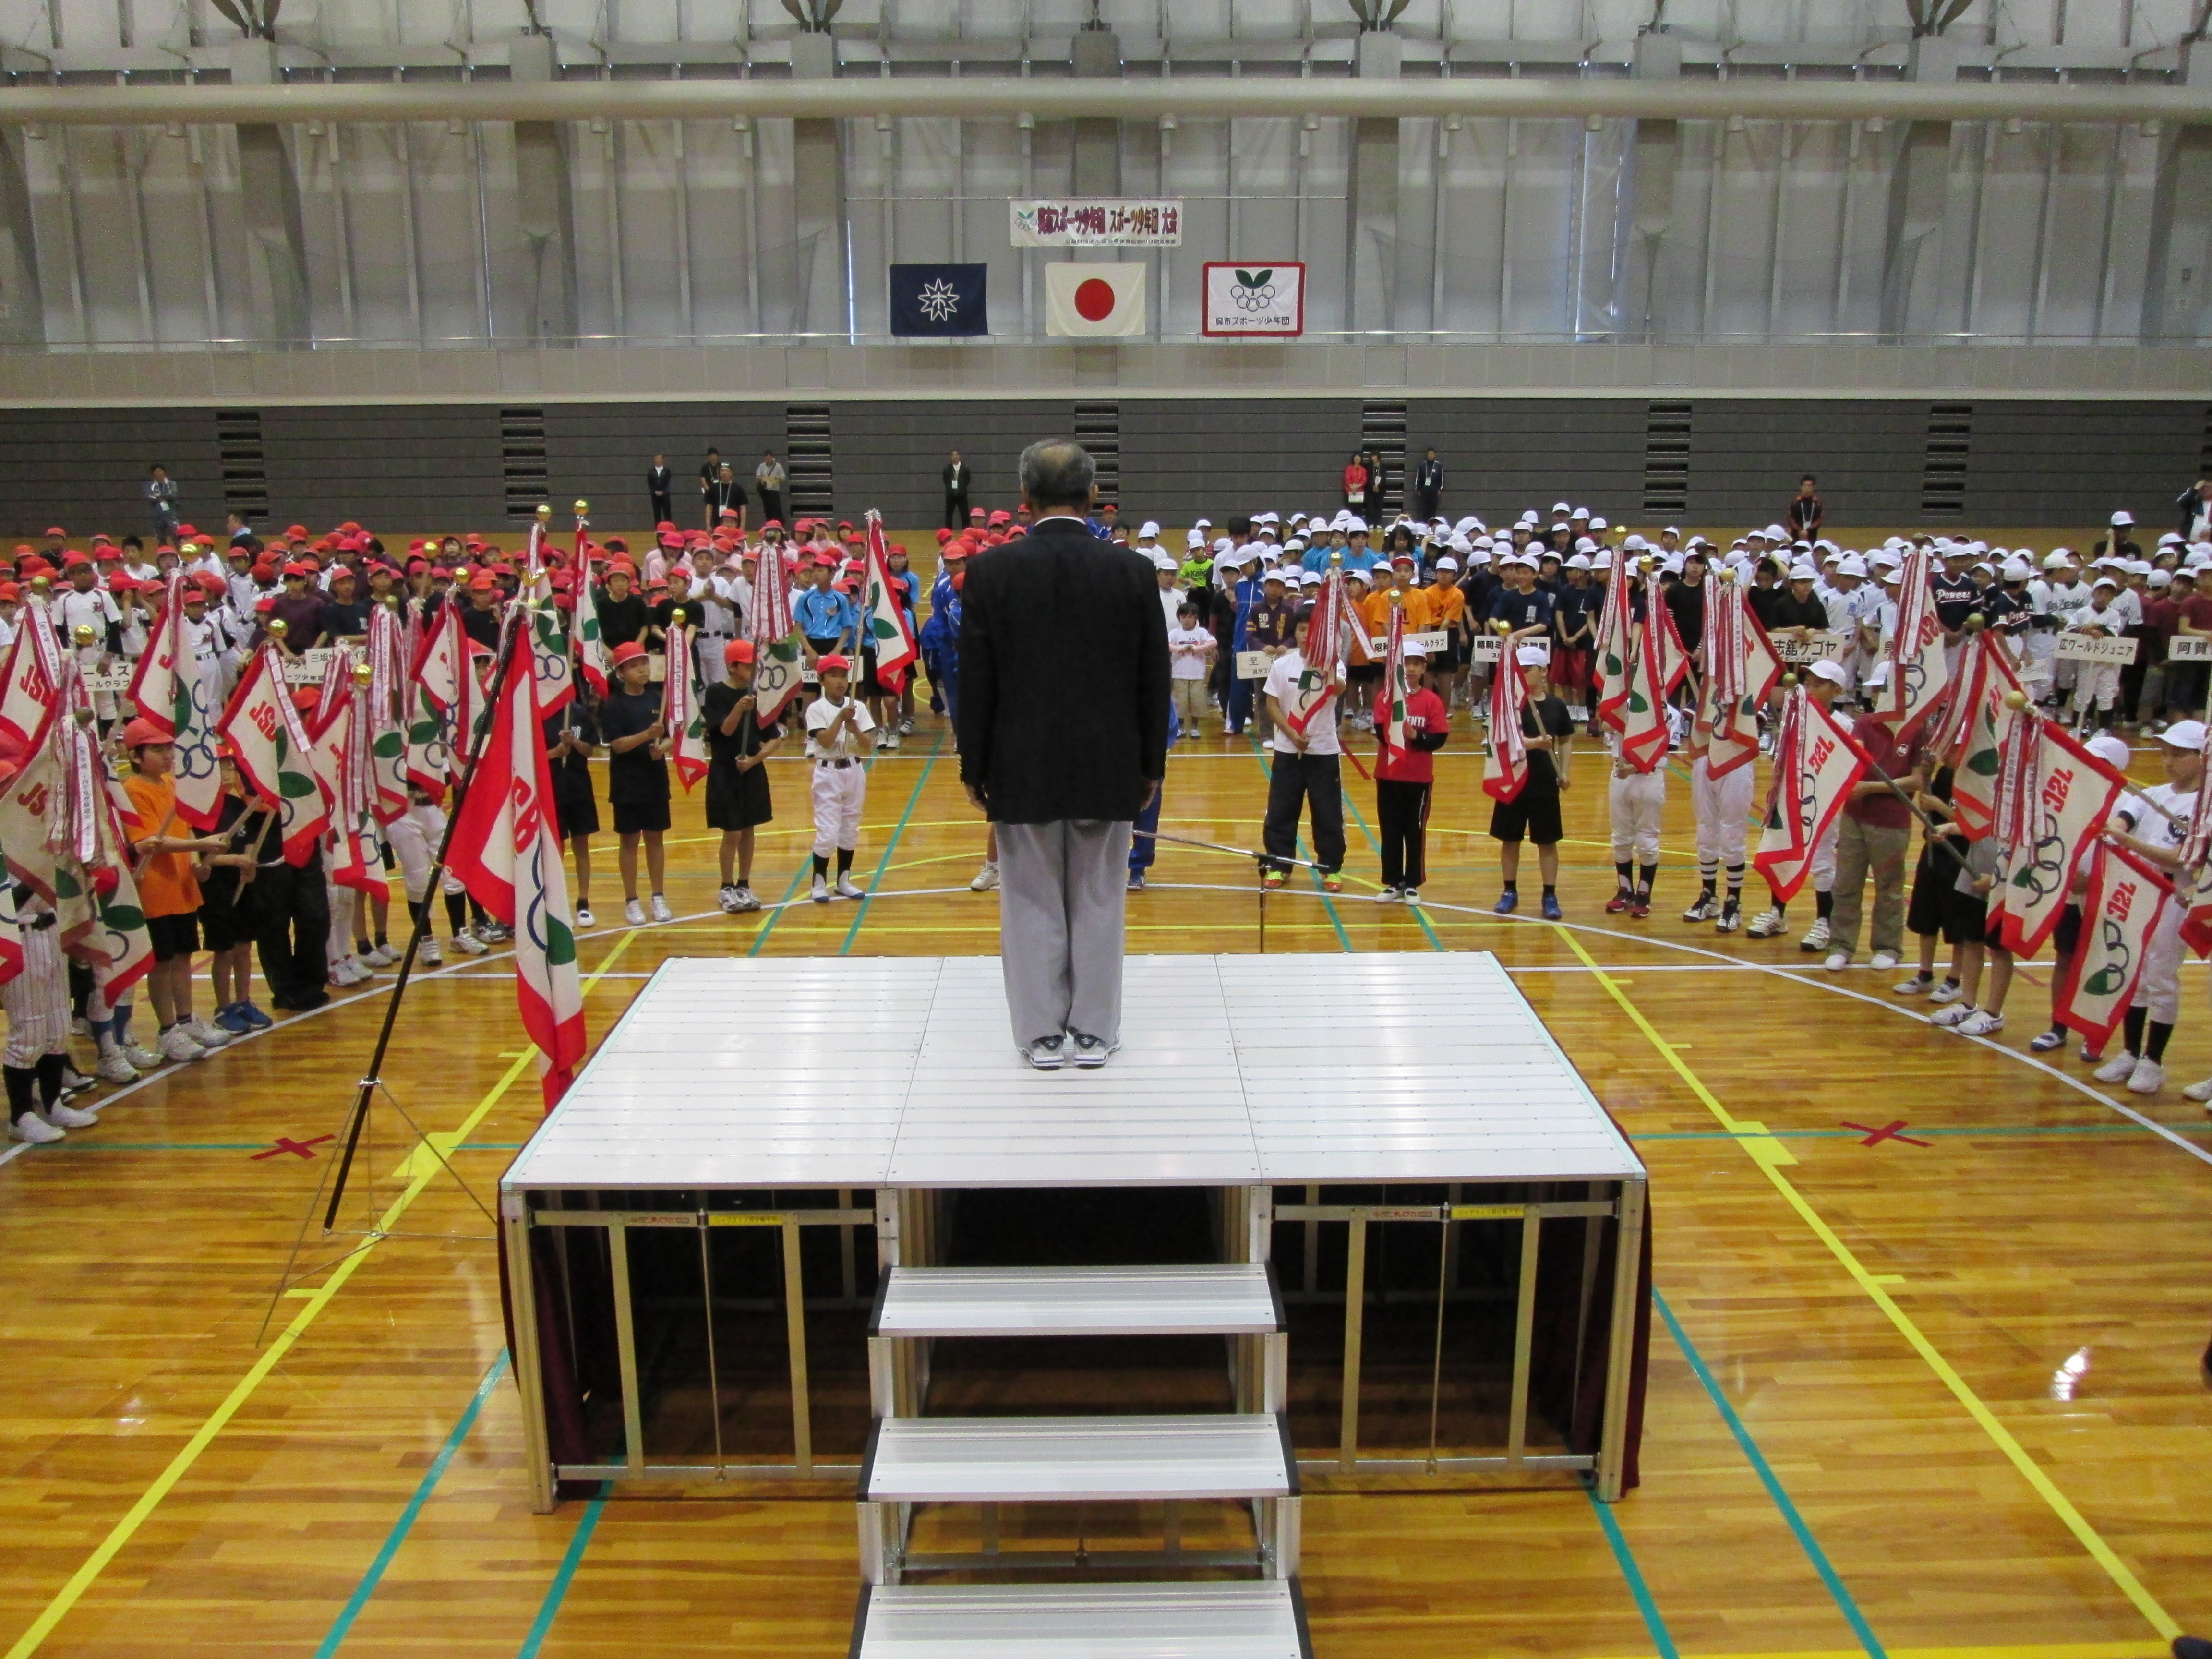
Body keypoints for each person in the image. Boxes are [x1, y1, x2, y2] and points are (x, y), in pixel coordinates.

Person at [956, 437, 1170, 1071]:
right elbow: (1152, 679)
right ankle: (1096, 1031)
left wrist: (975, 766)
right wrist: (1151, 766)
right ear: (1094, 496)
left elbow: (977, 682)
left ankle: (1042, 1033)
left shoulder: (991, 573)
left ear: (1024, 500)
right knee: (1101, 897)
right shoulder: (1131, 571)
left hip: (1020, 766)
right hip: (1110, 765)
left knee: (1028, 899)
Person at [121, 721, 237, 1060]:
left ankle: (186, 1019)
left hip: (182, 884)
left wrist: (199, 861)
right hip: (155, 888)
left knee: (184, 956)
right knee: (163, 961)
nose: (167, 755)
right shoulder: (132, 790)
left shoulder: (173, 784)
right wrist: (201, 843)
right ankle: (167, 1030)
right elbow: (148, 842)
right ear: (135, 756)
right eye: (157, 750)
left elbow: (182, 829)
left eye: (168, 748)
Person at [2095, 720, 2200, 1095]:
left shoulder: (2204, 808)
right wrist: (2116, 828)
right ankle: (2130, 1052)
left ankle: (2153, 1061)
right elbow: (2123, 818)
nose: (2169, 762)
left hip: (2175, 897)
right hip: (2138, 894)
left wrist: (2127, 842)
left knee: (2160, 974)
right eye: (2166, 754)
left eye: (2178, 755)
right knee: (2133, 972)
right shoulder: (2154, 794)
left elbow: (2179, 858)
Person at [1822, 661, 1923, 972]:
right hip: (1856, 817)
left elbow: (1917, 780)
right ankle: (1841, 944)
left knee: (1889, 888)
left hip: (1892, 820)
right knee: (1846, 884)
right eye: (1877, 690)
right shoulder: (1864, 724)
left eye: (1884, 689)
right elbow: (1853, 760)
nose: (1879, 695)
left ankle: (1888, 946)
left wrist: (1874, 787)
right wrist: (1855, 785)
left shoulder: (1916, 728)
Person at [1260, 606, 1346, 892]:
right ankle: (1279, 865)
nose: (1307, 636)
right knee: (1282, 810)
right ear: (1294, 633)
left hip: (1323, 751)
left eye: (1313, 630)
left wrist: (1327, 666)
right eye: (1301, 629)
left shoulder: (1332, 665)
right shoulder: (1282, 665)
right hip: (1288, 749)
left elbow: (1340, 689)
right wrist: (1292, 734)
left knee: (1327, 812)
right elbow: (1272, 704)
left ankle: (1330, 869)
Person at [1489, 648, 1574, 918]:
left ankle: (1550, 894)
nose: (1523, 676)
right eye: (1519, 671)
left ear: (1543, 671)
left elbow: (1566, 739)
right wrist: (1535, 743)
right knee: (1510, 839)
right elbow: (1507, 739)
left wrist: (1564, 771)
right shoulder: (1511, 707)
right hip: (1514, 780)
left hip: (1544, 783)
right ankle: (1509, 890)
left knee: (1547, 842)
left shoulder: (1556, 706)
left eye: (1528, 670)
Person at [705, 638, 783, 913]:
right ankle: (726, 886)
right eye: (747, 666)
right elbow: (724, 731)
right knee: (733, 831)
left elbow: (775, 739)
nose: (753, 671)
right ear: (732, 666)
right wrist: (740, 708)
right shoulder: (716, 693)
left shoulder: (759, 695)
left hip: (750, 770)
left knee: (749, 828)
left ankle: (744, 884)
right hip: (725, 770)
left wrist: (753, 760)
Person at [599, 640, 674, 925]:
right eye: (634, 665)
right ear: (620, 672)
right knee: (629, 840)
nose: (641, 669)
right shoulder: (614, 705)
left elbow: (671, 734)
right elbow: (617, 745)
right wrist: (646, 736)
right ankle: (631, 900)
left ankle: (658, 896)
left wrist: (663, 746)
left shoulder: (658, 699)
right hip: (627, 780)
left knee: (656, 837)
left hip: (655, 777)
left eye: (643, 663)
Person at [1373, 639, 1449, 902]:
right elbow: (1381, 733)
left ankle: (1413, 883)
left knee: (1414, 830)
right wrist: (1397, 735)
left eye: (1417, 664)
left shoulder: (1432, 701)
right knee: (1390, 829)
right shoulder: (1385, 697)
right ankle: (1393, 882)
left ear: (1424, 668)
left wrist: (1416, 736)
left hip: (1418, 778)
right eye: (1407, 663)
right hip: (1389, 775)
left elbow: (1438, 739)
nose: (1411, 669)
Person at [805, 653, 871, 903]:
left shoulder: (860, 707)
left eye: (844, 676)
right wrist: (840, 719)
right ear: (822, 680)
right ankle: (819, 881)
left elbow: (868, 746)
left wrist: (855, 729)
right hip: (828, 771)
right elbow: (825, 740)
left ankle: (844, 880)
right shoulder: (816, 709)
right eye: (833, 676)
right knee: (828, 831)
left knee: (850, 827)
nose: (840, 681)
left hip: (854, 769)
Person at [546, 686, 600, 928]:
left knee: (582, 845)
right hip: (551, 788)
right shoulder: (539, 714)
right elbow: (530, 755)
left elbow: (591, 749)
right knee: (555, 848)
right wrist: (555, 752)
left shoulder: (578, 712)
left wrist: (575, 742)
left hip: (578, 786)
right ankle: (555, 903)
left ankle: (584, 902)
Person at [1167, 602, 1215, 741]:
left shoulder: (1202, 633)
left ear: (1196, 618)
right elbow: (1167, 644)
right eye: (1184, 617)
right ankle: (1180, 727)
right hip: (1179, 674)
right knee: (1181, 702)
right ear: (1179, 618)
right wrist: (1179, 650)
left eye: (1191, 617)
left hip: (1197, 675)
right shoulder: (1175, 633)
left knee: (1197, 702)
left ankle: (1195, 728)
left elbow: (1213, 643)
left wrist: (1197, 649)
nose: (1187, 620)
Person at [146, 463, 180, 542]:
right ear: (153, 474)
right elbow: (150, 498)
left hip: (171, 515)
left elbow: (173, 496)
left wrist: (160, 496)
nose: (159, 473)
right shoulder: (150, 485)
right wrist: (164, 497)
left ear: (164, 472)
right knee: (161, 539)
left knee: (176, 536)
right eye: (156, 472)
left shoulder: (171, 484)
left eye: (160, 471)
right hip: (157, 515)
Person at [1787, 474, 1822, 543]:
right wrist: (1800, 530)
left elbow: (1820, 520)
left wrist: (1808, 530)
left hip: (1812, 537)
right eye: (1805, 486)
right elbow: (1791, 519)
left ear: (1813, 487)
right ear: (1801, 487)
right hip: (1797, 536)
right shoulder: (1795, 503)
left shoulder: (1818, 503)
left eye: (1810, 486)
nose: (1807, 488)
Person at [756, 450, 787, 528]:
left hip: (774, 491)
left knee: (776, 509)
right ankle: (769, 525)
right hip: (765, 491)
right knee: (767, 509)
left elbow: (783, 479)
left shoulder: (778, 466)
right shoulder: (762, 466)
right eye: (766, 459)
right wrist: (764, 479)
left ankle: (779, 525)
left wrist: (777, 478)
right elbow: (758, 477)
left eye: (769, 459)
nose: (768, 461)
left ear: (773, 458)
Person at [942, 449, 971, 530]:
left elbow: (967, 480)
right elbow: (946, 481)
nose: (955, 457)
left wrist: (962, 488)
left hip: (962, 495)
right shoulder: (947, 469)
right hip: (951, 496)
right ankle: (948, 532)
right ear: (950, 458)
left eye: (957, 455)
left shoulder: (965, 468)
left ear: (959, 456)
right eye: (953, 455)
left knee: (965, 515)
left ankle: (966, 531)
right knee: (949, 514)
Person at [1413, 447, 1443, 522]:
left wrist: (1440, 489)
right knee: (1424, 509)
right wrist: (1418, 489)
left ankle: (1432, 524)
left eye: (1432, 454)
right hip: (1424, 490)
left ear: (1435, 455)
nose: (1430, 456)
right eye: (1429, 454)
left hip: (1434, 491)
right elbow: (1418, 478)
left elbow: (1441, 478)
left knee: (1433, 509)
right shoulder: (1422, 465)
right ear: (1427, 455)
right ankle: (1424, 523)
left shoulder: (1438, 466)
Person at [648, 453, 674, 527]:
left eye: (659, 459)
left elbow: (669, 483)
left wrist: (663, 492)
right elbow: (650, 484)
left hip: (665, 495)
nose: (657, 460)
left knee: (667, 513)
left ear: (663, 460)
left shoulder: (667, 471)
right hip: (655, 496)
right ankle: (658, 529)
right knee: (657, 513)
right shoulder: (651, 472)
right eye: (656, 459)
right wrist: (655, 491)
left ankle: (669, 528)